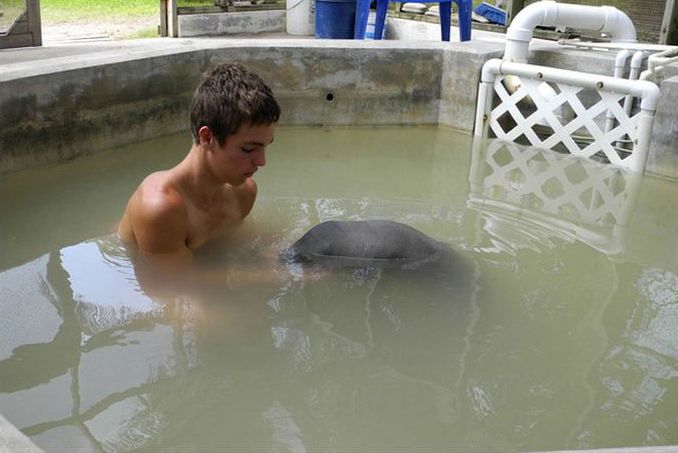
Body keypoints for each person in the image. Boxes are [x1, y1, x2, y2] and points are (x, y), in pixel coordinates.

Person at [118, 63, 280, 268]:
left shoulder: (244, 193)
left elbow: (232, 248)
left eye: (265, 146)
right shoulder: (160, 207)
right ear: (207, 137)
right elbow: (173, 284)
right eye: (249, 149)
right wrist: (274, 276)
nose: (262, 161)